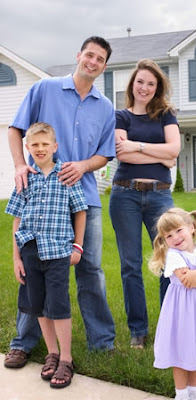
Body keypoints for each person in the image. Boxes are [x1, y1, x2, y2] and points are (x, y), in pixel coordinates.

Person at [4, 36, 116, 369]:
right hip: (39, 196)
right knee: (33, 270)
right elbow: (15, 129)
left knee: (90, 269)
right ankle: (24, 343)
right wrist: (19, 165)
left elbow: (105, 154)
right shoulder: (45, 88)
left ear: (104, 66)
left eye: (100, 59)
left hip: (82, 197)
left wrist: (83, 165)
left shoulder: (105, 107)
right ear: (79, 55)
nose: (93, 62)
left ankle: (101, 342)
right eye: (89, 55)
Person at [6, 123, 88, 388]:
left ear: (55, 147)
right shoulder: (24, 178)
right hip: (30, 250)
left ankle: (66, 358)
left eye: (45, 144)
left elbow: (80, 211)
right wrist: (16, 258)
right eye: (35, 145)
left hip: (58, 251)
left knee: (59, 305)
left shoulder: (66, 175)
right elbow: (17, 220)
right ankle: (51, 354)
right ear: (27, 148)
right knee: (39, 305)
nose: (40, 149)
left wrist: (78, 246)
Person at [109, 59, 181, 348]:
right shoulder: (120, 116)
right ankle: (138, 331)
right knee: (130, 265)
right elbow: (122, 155)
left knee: (169, 261)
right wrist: (161, 155)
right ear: (132, 84)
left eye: (151, 83)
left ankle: (168, 326)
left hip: (160, 195)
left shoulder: (166, 115)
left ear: (157, 88)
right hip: (124, 194)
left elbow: (175, 150)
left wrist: (137, 146)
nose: (145, 87)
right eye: (141, 81)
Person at [149, 208, 196, 400]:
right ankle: (181, 394)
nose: (175, 237)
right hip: (181, 311)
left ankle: (194, 392)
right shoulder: (173, 255)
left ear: (191, 227)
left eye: (178, 230)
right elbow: (187, 282)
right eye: (168, 235)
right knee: (181, 350)